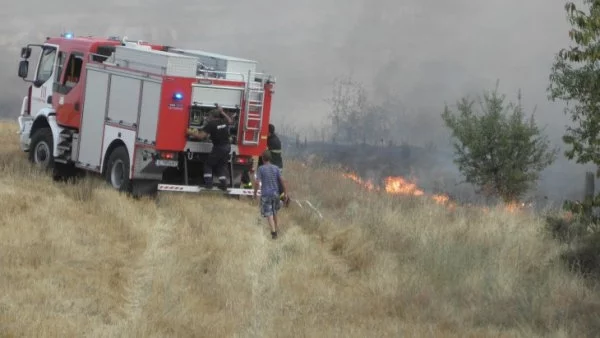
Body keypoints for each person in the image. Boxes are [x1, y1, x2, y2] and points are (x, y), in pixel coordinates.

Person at [187, 104, 233, 190]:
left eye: (209, 115)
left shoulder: (211, 124)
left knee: (208, 164)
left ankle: (208, 184)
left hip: (219, 148)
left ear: (212, 116)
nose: (208, 117)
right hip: (227, 147)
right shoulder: (224, 121)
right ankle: (224, 185)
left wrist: (191, 132)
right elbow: (230, 121)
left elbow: (201, 136)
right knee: (221, 166)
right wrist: (222, 111)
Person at [253, 149, 288, 239]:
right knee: (275, 212)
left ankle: (273, 233)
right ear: (270, 158)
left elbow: (257, 183)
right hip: (276, 194)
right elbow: (282, 181)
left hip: (266, 194)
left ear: (263, 158)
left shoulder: (261, 169)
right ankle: (276, 229)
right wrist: (285, 193)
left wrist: (255, 193)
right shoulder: (276, 168)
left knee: (269, 214)